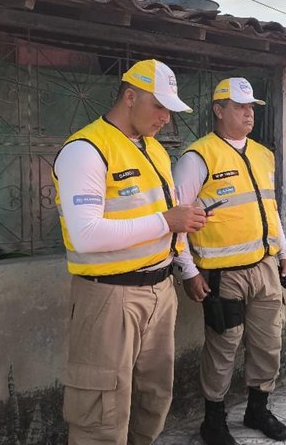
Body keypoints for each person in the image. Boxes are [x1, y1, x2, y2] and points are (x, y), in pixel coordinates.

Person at [52, 59, 208, 445]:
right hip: (109, 296)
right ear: (129, 96)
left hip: (160, 289)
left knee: (154, 397)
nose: (165, 119)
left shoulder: (153, 150)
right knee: (103, 411)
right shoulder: (86, 150)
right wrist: (167, 223)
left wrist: (184, 253)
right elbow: (86, 234)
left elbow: (168, 216)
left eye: (170, 111)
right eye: (159, 107)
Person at [173, 77, 286, 445]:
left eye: (251, 108)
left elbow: (270, 211)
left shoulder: (262, 154)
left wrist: (285, 253)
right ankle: (214, 420)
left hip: (264, 267)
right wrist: (188, 271)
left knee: (268, 343)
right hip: (222, 275)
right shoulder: (198, 157)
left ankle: (258, 409)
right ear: (218, 110)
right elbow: (177, 220)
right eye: (240, 107)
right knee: (223, 348)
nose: (248, 114)